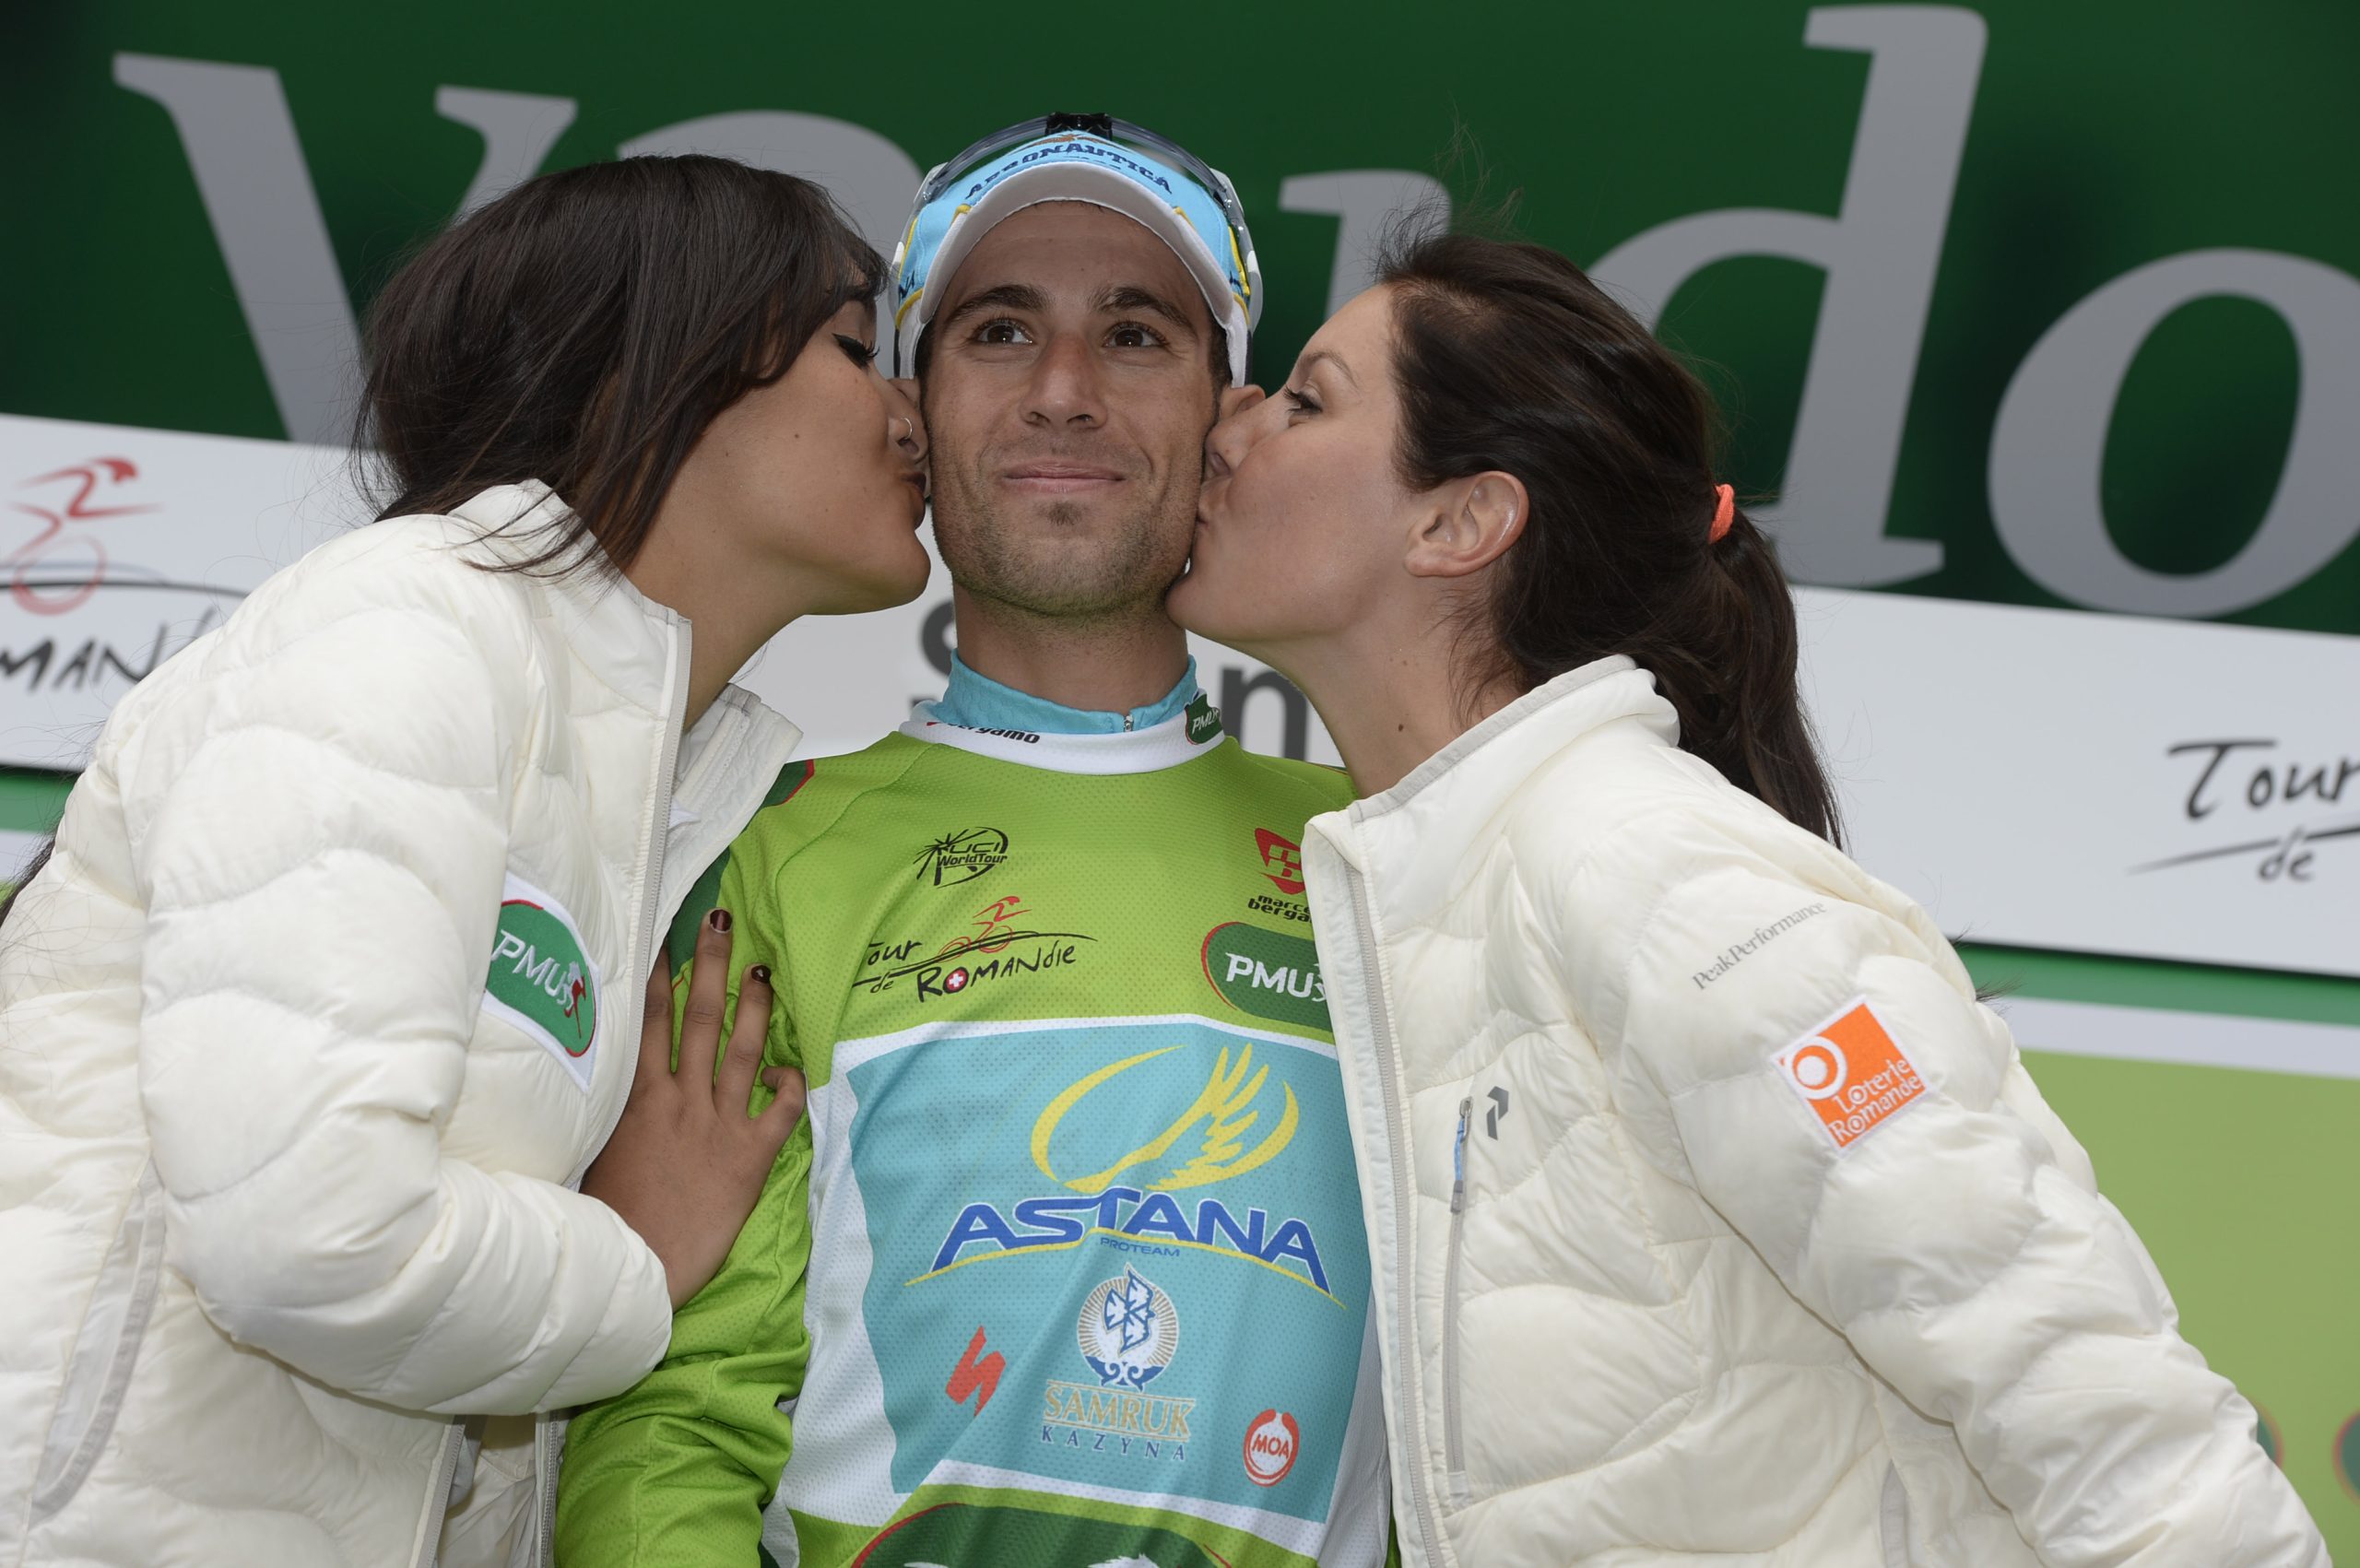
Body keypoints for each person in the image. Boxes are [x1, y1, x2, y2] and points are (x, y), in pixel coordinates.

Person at [1165, 229, 2331, 1566]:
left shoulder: (1641, 862)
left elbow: (2105, 1409)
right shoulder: (1455, 884)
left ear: (1462, 521)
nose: (1232, 425)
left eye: (1309, 397)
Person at [0, 154, 932, 1568]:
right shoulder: (405, 630)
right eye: (858, 350)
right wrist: (638, 1255)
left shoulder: (674, 773)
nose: (909, 412)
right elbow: (308, 1235)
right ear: (659, 361)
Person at [555, 116, 1392, 1567]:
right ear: (914, 415)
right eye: (1000, 331)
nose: (1064, 392)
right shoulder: (768, 846)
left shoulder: (1388, 858)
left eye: (1136, 336)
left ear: (1229, 423)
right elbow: (675, 1426)